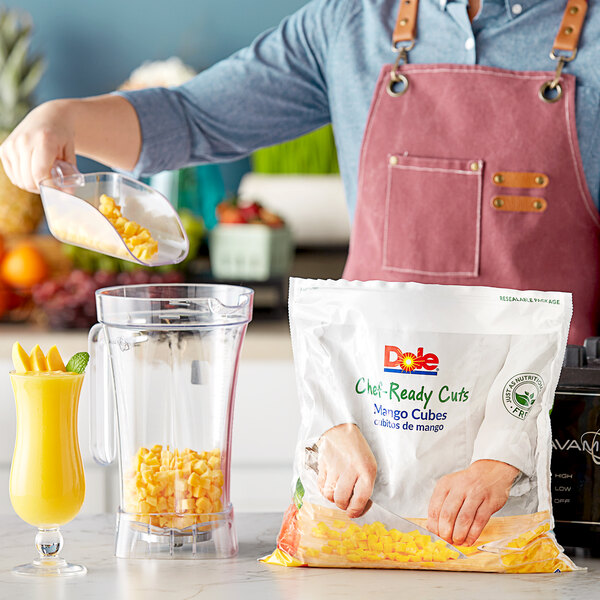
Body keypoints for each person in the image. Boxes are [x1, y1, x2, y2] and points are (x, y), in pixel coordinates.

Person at [1, 0, 597, 546]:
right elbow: (192, 116)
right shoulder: (353, 24)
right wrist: (65, 118)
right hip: (377, 448)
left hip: (553, 453)